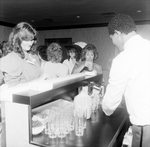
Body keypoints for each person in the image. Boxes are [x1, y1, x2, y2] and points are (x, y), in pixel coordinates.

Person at [101, 14, 150, 147]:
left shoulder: (123, 58)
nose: (113, 43)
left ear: (117, 33)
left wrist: (103, 105)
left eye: (111, 39)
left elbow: (110, 104)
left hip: (145, 125)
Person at [0, 22, 41, 87]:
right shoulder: (11, 59)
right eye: (26, 40)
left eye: (32, 39)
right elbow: (13, 88)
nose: (30, 43)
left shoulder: (34, 56)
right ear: (17, 40)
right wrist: (39, 81)